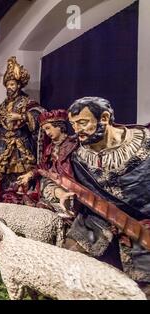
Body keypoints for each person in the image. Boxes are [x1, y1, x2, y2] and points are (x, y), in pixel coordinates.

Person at [55, 97, 150, 297]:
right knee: (68, 272)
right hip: (95, 223)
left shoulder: (146, 142)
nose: (77, 130)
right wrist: (61, 193)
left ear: (104, 118)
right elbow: (52, 178)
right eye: (73, 124)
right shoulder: (74, 152)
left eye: (83, 123)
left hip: (142, 227)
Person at [0, 56, 46, 203]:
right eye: (8, 84)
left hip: (20, 142)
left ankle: (23, 196)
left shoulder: (27, 102)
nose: (10, 87)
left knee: (22, 170)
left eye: (12, 84)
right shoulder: (2, 106)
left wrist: (22, 116)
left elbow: (39, 113)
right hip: (3, 143)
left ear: (19, 85)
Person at [17, 109, 78, 213]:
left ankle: (64, 200)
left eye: (48, 128)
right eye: (45, 130)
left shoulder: (73, 145)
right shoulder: (50, 147)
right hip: (53, 181)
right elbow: (43, 166)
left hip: (69, 182)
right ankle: (60, 198)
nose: (47, 133)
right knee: (41, 182)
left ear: (59, 126)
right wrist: (29, 174)